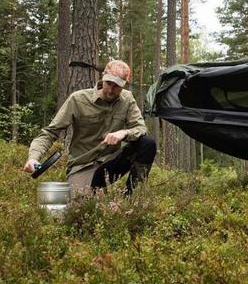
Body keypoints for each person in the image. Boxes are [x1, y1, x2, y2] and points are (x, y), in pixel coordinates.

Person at [23, 60, 156, 195]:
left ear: (124, 84)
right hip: (83, 164)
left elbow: (140, 128)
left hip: (112, 160)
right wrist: (33, 157)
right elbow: (50, 132)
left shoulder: (127, 99)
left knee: (147, 144)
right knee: (80, 204)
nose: (110, 90)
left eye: (116, 86)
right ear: (103, 77)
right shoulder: (78, 99)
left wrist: (124, 132)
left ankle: (131, 198)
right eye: (108, 83)